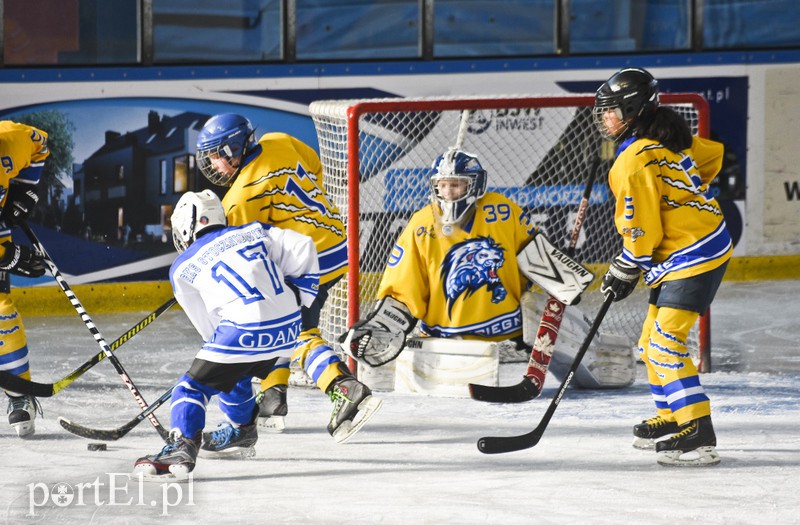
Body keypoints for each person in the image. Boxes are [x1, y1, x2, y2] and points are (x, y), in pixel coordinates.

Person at [341, 148, 602, 388]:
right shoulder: (420, 224)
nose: (449, 192)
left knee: (547, 314)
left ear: (475, 185)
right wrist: (386, 323)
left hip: (511, 329)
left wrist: (564, 280)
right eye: (442, 186)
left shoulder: (501, 210)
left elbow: (532, 250)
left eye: (456, 185)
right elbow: (403, 284)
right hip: (445, 337)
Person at [195, 114, 380, 442]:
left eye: (213, 157)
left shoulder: (239, 197)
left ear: (232, 150)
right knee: (277, 315)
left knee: (294, 333)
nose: (212, 166)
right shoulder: (280, 140)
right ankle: (273, 394)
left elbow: (245, 258)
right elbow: (315, 169)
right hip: (337, 243)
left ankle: (345, 388)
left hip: (307, 261)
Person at [592, 67, 733, 466]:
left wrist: (625, 267)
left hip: (694, 253)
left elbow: (643, 231)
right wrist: (683, 196)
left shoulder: (633, 161)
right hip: (689, 248)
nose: (604, 118)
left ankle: (698, 432)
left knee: (664, 343)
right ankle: (671, 416)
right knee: (648, 341)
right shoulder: (663, 139)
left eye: (610, 110)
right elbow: (711, 156)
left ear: (632, 109)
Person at [133, 190, 321, 479]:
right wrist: (298, 298)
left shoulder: (182, 267)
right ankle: (242, 430)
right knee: (234, 373)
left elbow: (208, 327)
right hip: (288, 330)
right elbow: (303, 245)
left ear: (185, 227)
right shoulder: (256, 230)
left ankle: (182, 444)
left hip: (244, 330)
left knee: (192, 388)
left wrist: (213, 364)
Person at [0, 120, 48, 437]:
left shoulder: (11, 139)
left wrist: (24, 191)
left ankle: (20, 395)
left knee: (1, 312)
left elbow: (40, 144)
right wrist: (10, 257)